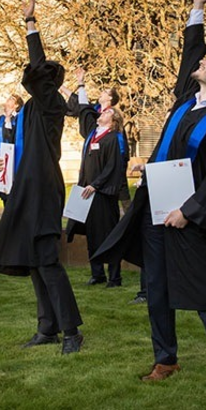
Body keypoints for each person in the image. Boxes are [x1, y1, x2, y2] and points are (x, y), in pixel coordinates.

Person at [93, 0, 206, 389]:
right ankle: (166, 359)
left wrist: (187, 212)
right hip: (154, 209)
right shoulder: (184, 102)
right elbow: (190, 53)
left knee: (205, 291)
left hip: (187, 219)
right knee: (156, 289)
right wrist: (198, 8)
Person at [0, 0, 84, 355]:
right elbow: (15, 147)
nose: (30, 78)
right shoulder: (28, 111)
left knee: (47, 261)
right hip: (25, 187)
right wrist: (4, 167)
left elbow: (39, 66)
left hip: (42, 190)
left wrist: (30, 23)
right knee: (36, 262)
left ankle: (71, 330)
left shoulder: (49, 103)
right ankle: (47, 327)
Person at [65, 67, 128, 287]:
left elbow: (114, 166)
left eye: (106, 112)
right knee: (91, 233)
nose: (101, 113)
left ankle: (115, 276)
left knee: (109, 234)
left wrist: (96, 184)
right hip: (86, 191)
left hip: (103, 192)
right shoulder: (92, 135)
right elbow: (82, 110)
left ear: (114, 119)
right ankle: (97, 273)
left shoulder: (114, 138)